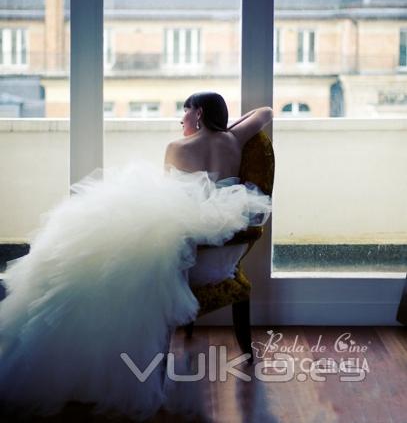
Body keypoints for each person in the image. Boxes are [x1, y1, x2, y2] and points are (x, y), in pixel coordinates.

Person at [0, 92, 272, 421]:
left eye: (185, 112)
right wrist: (226, 126)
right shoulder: (235, 139)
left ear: (198, 112)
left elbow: (170, 198)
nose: (180, 119)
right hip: (222, 258)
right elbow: (265, 111)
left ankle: (85, 353)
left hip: (185, 259)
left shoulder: (176, 148)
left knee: (101, 248)